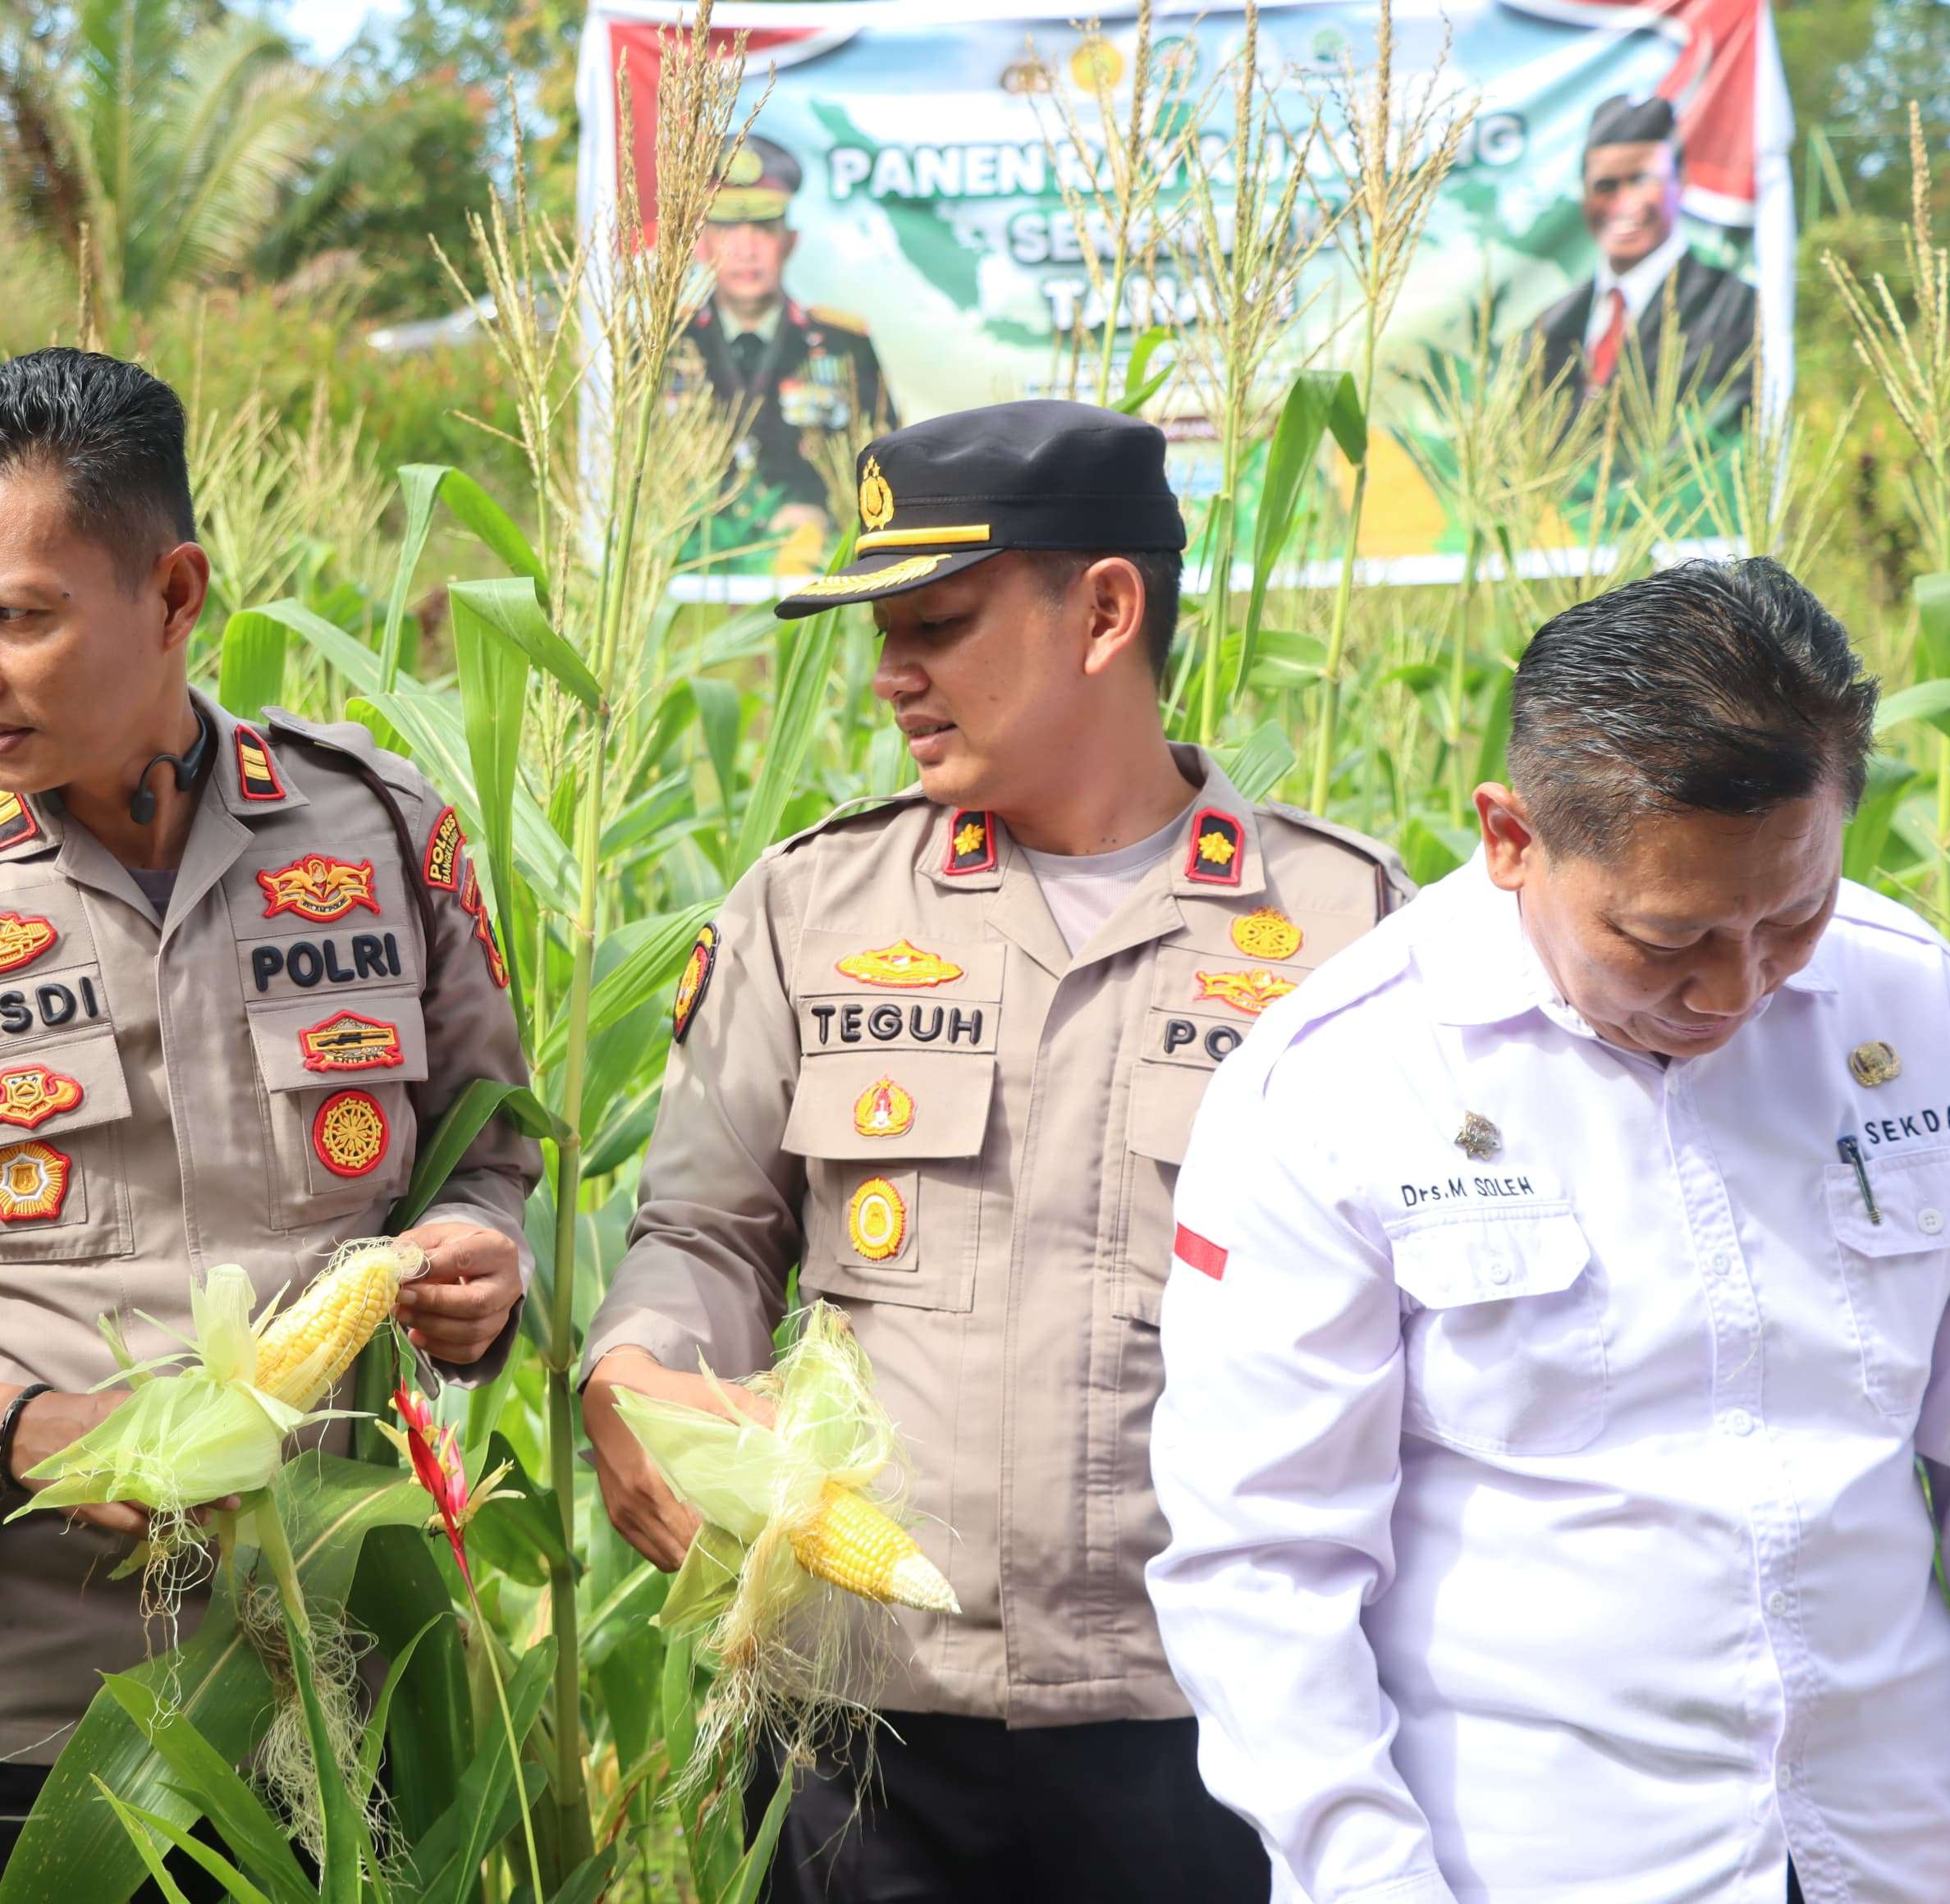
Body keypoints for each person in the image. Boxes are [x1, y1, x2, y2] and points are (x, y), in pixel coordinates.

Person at [0, 346, 540, 1899]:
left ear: (173, 595)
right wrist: (7, 1431)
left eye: (15, 616)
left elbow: (486, 1149)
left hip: (341, 1673)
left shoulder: (382, 835)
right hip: (26, 1720)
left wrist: (481, 1250)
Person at [579, 400, 1410, 1902]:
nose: (890, 672)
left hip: (1207, 1720)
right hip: (867, 1722)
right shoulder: (815, 906)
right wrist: (637, 1365)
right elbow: (703, 1230)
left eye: (938, 624)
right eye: (880, 628)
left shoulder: (1350, 932)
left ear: (1104, 610)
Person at [1147, 559, 1950, 1902]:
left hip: (1886, 1842)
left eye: (1792, 916)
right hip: (1530, 1863)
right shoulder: (1338, 1086)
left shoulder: (1911, 1009)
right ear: (1512, 836)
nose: (1739, 987)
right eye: (1667, 938)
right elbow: (1264, 1568)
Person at [674, 134, 897, 569]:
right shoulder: (663, 348)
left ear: (789, 242)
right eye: (727, 229)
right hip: (689, 576)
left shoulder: (845, 345)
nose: (746, 249)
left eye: (763, 227)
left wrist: (828, 520)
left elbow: (889, 471)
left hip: (818, 571)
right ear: (701, 245)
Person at [1530, 94, 1757, 410]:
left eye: (1641, 180)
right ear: (1584, 194)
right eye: (1606, 186)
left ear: (1682, 180)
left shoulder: (1739, 309)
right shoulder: (1548, 324)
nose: (1624, 205)